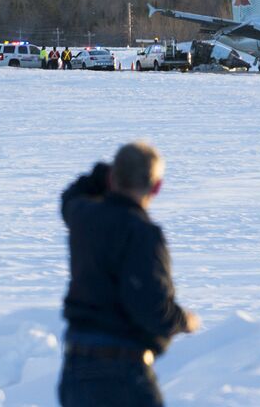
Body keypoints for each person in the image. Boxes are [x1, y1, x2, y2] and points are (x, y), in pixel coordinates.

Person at [59, 141, 201, 407]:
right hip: (121, 372)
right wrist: (184, 321)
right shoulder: (142, 233)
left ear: (112, 178)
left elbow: (71, 195)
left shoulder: (82, 217)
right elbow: (151, 307)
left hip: (75, 368)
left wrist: (106, 173)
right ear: (156, 187)